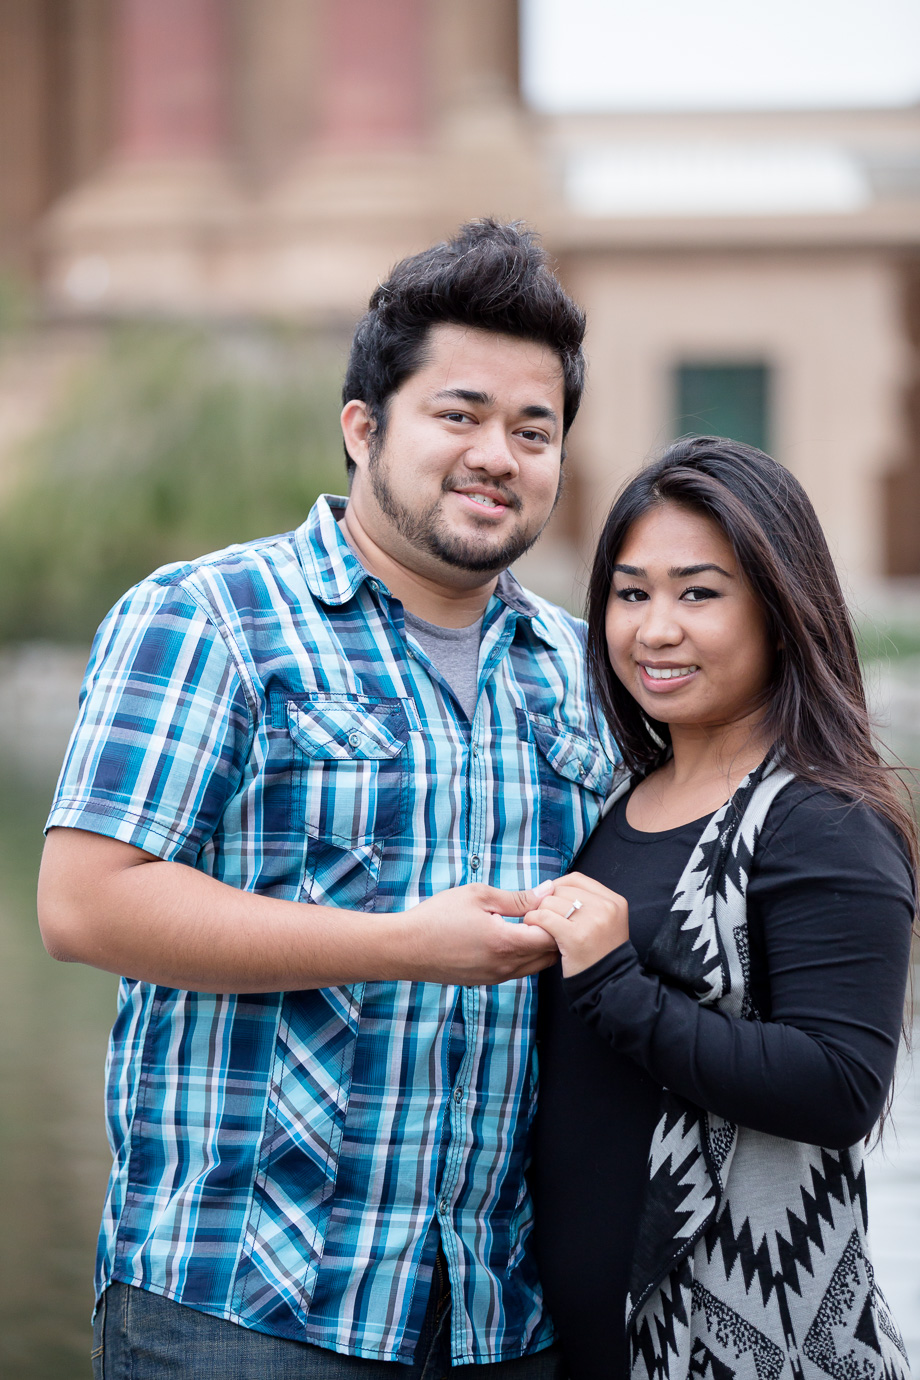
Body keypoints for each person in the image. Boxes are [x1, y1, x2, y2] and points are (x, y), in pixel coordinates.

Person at [37, 219, 614, 1378]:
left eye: (532, 429)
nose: (496, 455)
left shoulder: (583, 668)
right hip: (241, 1308)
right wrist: (399, 945)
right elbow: (85, 907)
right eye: (457, 415)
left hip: (502, 1314)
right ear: (363, 428)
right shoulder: (210, 617)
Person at [523, 436, 915, 1380]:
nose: (656, 629)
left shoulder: (822, 821)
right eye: (631, 593)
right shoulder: (614, 800)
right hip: (574, 1337)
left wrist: (620, 987)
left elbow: (839, 1086)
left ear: (781, 612)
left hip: (749, 1344)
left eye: (700, 592)